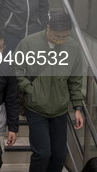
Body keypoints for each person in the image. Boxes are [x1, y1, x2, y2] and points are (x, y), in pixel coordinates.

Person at [14, 12, 84, 172]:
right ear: (48, 28)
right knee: (43, 153)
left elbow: (75, 79)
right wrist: (29, 89)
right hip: (36, 107)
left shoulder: (72, 47)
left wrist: (78, 107)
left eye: (64, 37)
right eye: (56, 36)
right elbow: (16, 69)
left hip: (59, 109)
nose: (60, 40)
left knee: (59, 155)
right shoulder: (29, 43)